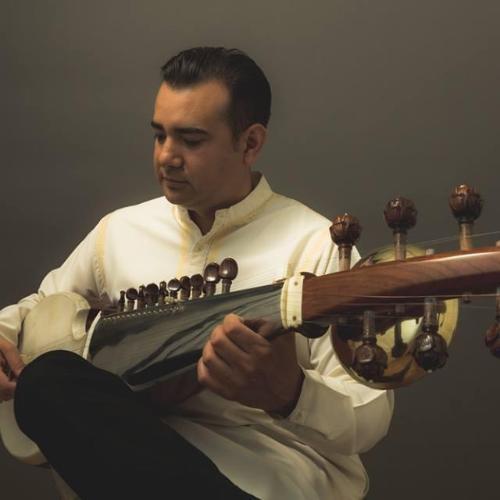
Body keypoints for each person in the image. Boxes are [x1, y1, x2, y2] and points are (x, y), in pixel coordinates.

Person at [0, 47, 393, 499]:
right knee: (47, 382)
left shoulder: (316, 245)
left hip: (260, 477)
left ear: (250, 143)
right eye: (159, 135)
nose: (167, 156)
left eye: (190, 140)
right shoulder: (120, 232)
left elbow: (371, 415)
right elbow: (41, 309)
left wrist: (292, 393)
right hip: (133, 465)